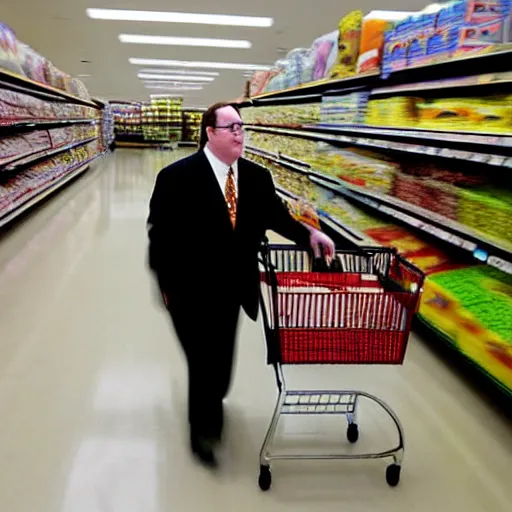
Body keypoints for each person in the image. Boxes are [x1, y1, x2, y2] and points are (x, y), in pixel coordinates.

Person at [147, 101, 335, 468]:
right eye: (230, 126)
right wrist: (166, 283)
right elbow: (160, 235)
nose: (239, 133)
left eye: (241, 127)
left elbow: (276, 217)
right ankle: (203, 433)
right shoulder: (176, 177)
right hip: (189, 289)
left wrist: (310, 236)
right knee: (203, 360)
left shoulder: (255, 177)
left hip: (233, 288)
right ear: (210, 132)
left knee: (220, 362)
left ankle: (211, 401)